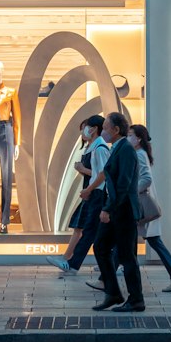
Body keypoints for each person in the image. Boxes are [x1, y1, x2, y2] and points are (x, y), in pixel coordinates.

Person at [92, 111, 144, 313]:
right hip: (117, 209)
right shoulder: (118, 148)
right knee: (101, 247)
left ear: (116, 129)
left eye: (105, 128)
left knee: (126, 256)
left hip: (123, 211)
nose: (103, 131)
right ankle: (113, 292)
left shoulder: (126, 150)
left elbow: (123, 185)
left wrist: (108, 209)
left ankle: (136, 300)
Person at [47, 115, 109, 275]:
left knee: (90, 231)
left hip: (97, 194)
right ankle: (68, 259)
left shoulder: (100, 148)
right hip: (91, 193)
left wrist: (86, 180)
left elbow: (103, 174)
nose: (82, 132)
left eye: (85, 127)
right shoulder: (92, 148)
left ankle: (73, 263)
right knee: (84, 229)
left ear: (94, 128)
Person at [129, 124, 171, 293]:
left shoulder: (139, 154)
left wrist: (131, 192)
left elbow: (146, 179)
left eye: (130, 135)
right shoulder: (142, 153)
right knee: (148, 241)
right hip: (143, 206)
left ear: (138, 139)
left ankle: (105, 278)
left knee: (125, 239)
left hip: (140, 206)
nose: (128, 138)